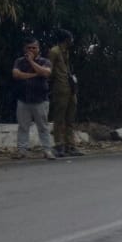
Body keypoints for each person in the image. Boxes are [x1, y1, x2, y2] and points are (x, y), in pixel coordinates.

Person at [11, 37, 57, 159]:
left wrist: (31, 62)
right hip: (23, 99)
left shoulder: (45, 61)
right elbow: (16, 74)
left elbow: (46, 73)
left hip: (40, 100)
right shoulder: (19, 61)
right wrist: (35, 74)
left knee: (43, 126)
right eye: (29, 47)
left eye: (34, 47)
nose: (31, 49)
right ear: (24, 49)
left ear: (38, 48)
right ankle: (22, 151)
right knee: (23, 126)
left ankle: (47, 150)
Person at [48, 28, 82, 157]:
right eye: (71, 39)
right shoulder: (54, 52)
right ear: (66, 40)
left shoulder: (66, 52)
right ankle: (59, 145)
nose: (72, 41)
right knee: (59, 118)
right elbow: (49, 71)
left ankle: (70, 145)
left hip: (70, 87)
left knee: (70, 118)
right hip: (60, 87)